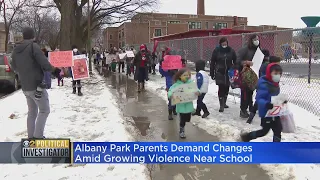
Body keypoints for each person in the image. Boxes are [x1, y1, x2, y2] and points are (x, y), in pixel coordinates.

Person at [11, 27, 61, 139]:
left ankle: (31, 138)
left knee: (32, 112)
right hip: (36, 86)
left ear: (23, 36)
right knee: (44, 110)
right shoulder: (33, 47)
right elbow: (44, 63)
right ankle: (38, 137)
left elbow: (13, 66)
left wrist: (23, 73)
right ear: (33, 36)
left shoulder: (15, 50)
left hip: (25, 87)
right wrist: (55, 70)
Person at [241, 63, 285, 142]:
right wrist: (266, 104)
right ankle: (247, 137)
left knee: (278, 129)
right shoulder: (264, 84)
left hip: (275, 111)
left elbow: (275, 96)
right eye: (275, 73)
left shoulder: (275, 84)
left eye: (279, 74)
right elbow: (259, 99)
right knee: (264, 131)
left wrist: (281, 101)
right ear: (269, 73)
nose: (278, 75)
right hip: (266, 112)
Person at [246, 55, 281, 124]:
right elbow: (265, 77)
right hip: (265, 87)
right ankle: (253, 119)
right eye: (278, 63)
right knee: (259, 103)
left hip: (270, 88)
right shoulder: (267, 68)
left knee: (261, 104)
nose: (279, 64)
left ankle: (265, 120)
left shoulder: (274, 68)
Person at [168, 68, 200, 138]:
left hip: (188, 105)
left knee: (187, 118)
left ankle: (183, 125)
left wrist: (198, 92)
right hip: (181, 105)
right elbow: (170, 91)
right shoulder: (176, 84)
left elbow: (197, 90)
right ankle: (181, 130)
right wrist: (171, 95)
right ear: (180, 76)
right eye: (185, 75)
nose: (187, 76)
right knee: (182, 119)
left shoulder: (191, 83)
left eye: (188, 75)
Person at [210, 37, 237, 112]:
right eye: (223, 43)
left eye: (225, 43)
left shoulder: (231, 51)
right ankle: (221, 105)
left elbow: (235, 60)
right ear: (220, 43)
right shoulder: (216, 51)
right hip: (220, 71)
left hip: (228, 72)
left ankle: (224, 102)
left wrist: (234, 69)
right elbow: (212, 62)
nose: (224, 44)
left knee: (227, 87)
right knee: (221, 87)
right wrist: (212, 72)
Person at [236, 34, 260, 118]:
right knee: (245, 93)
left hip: (254, 74)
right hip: (245, 74)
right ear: (251, 40)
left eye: (258, 39)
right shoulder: (245, 49)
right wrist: (246, 62)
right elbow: (238, 61)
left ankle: (249, 107)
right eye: (255, 39)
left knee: (250, 92)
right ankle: (243, 110)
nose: (257, 40)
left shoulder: (257, 50)